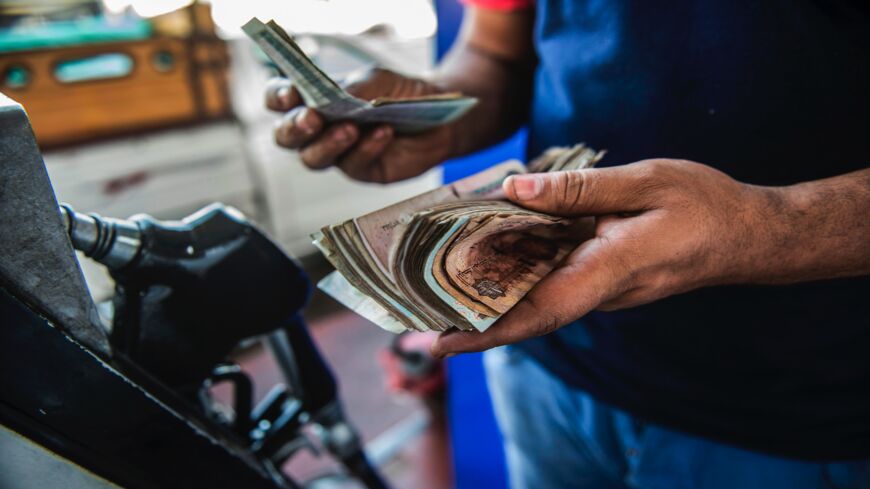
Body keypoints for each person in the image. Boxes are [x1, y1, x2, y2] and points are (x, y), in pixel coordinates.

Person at [264, 1, 870, 487]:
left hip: (793, 419)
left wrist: (763, 225)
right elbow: (496, 54)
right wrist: (433, 113)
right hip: (551, 372)